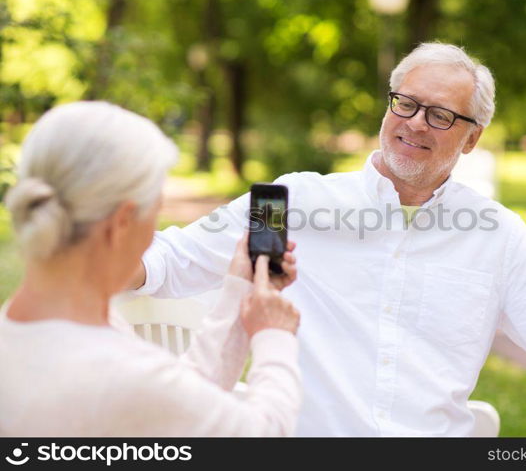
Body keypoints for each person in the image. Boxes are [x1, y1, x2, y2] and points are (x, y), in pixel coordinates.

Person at [130, 42, 526, 436]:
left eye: (441, 115)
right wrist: (76, 253)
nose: (416, 122)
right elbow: (170, 262)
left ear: (472, 138)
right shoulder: (292, 201)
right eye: (407, 103)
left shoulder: (497, 235)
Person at [0, 101, 302, 436]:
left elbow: (181, 400)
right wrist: (274, 334)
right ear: (122, 223)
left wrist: (240, 290)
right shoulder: (122, 373)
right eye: (156, 212)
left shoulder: (30, 332)